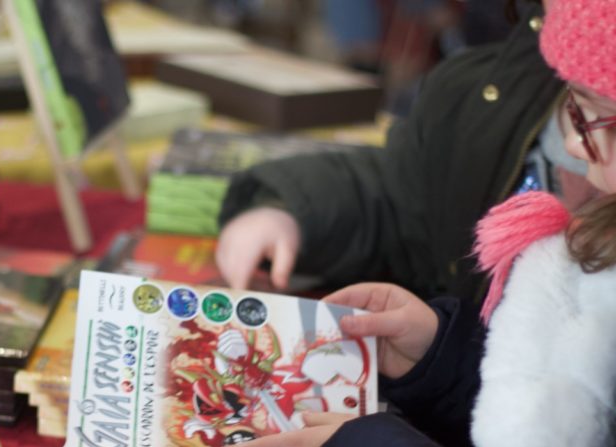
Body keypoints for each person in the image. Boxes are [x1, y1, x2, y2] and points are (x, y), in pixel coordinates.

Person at [209, 1, 616, 447]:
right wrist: (449, 360)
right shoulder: (496, 83)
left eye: (598, 118)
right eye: (575, 110)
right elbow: (588, 432)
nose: (576, 145)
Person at [215, 0, 579, 302]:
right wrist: (292, 212)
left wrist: (439, 346)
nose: (579, 143)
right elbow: (402, 199)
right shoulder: (483, 90)